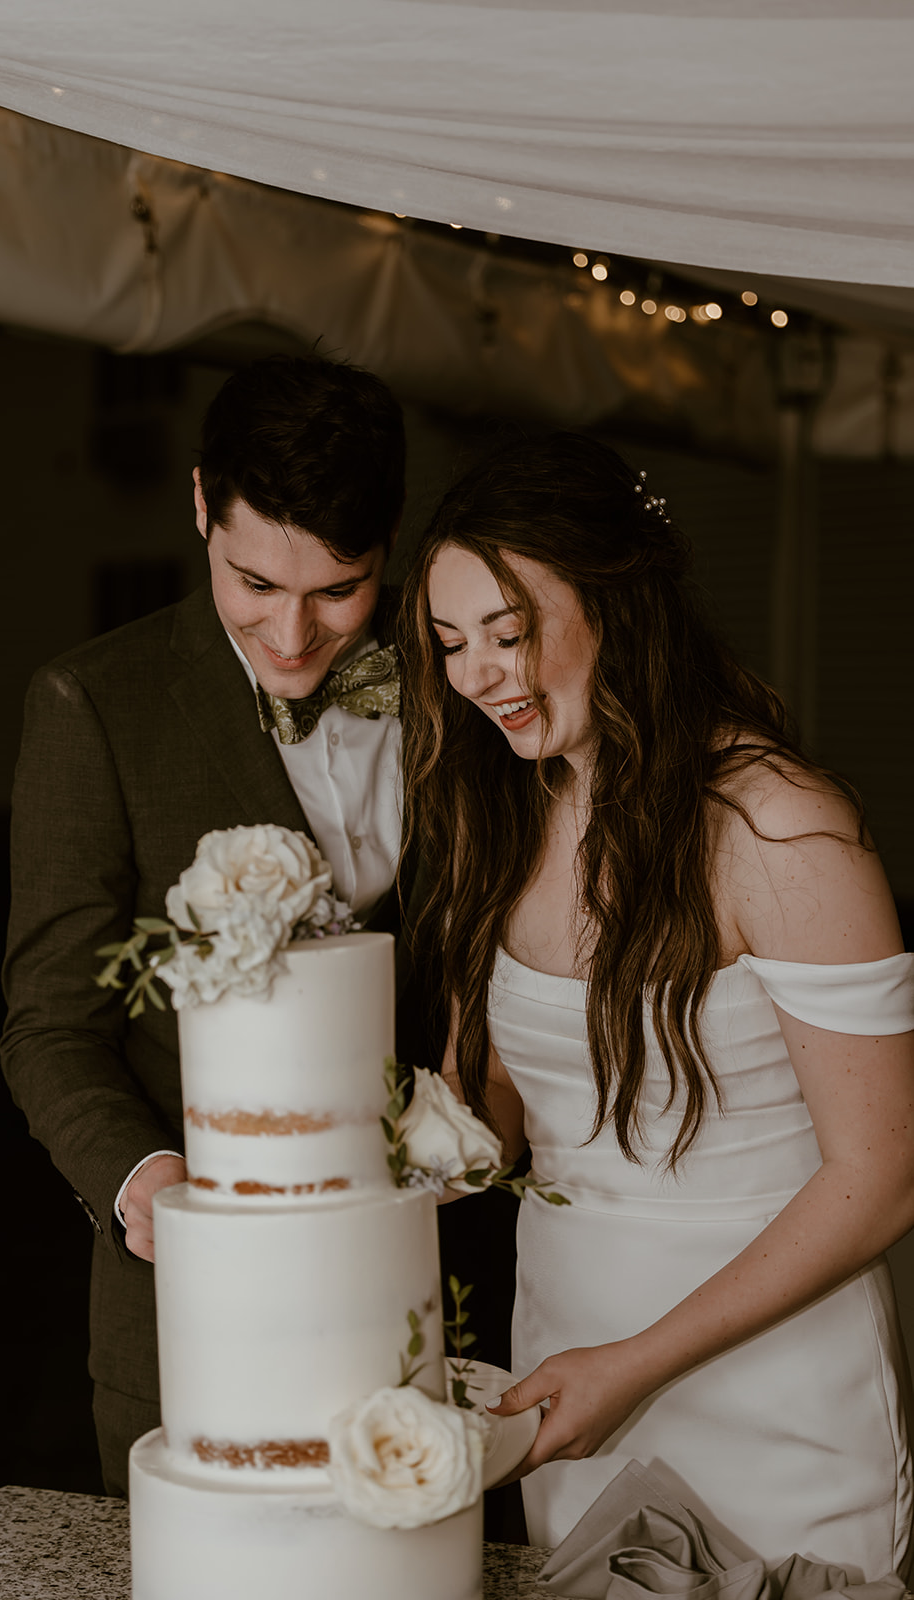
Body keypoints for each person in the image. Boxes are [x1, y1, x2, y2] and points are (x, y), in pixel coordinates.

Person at [398, 431, 914, 1579]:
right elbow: (491, 1121)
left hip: (770, 1392)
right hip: (564, 1367)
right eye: (450, 643)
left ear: (615, 597)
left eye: (509, 630)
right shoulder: (507, 818)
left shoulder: (779, 827)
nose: (477, 672)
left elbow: (881, 1175)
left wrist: (633, 1363)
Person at [0, 354, 408, 1496]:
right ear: (199, 505)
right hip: (191, 1301)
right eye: (254, 583)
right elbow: (48, 1023)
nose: (291, 635)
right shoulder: (94, 704)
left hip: (425, 1283)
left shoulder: (451, 685)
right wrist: (145, 1183)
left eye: (339, 589)